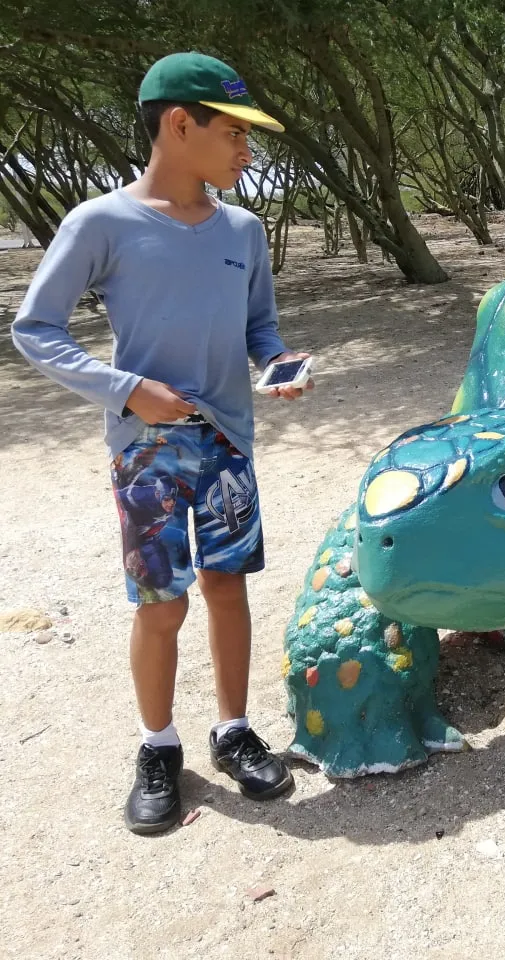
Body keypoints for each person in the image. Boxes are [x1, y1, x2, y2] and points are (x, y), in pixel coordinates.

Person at [11, 51, 314, 834]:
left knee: (228, 587)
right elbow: (35, 330)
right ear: (180, 125)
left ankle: (234, 730)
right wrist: (126, 389)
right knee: (160, 602)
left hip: (229, 446)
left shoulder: (243, 231)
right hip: (145, 450)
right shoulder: (100, 223)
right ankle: (158, 747)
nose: (249, 150)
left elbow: (260, 331)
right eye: (235, 132)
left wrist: (277, 366)